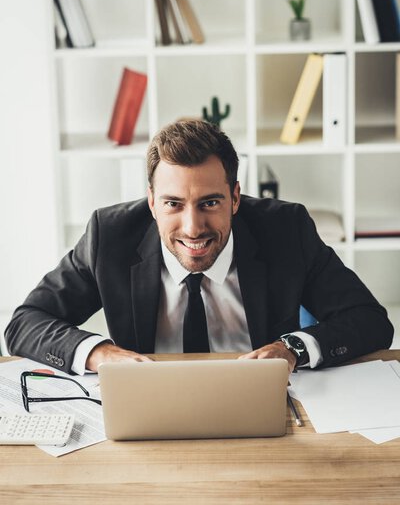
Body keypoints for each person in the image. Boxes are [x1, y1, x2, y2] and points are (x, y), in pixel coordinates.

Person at [5, 120, 393, 374]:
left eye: (210, 202)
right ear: (152, 201)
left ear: (235, 198)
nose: (193, 228)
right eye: (174, 204)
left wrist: (293, 348)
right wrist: (98, 353)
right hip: (150, 413)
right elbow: (25, 323)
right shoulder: (110, 235)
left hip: (264, 410)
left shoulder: (285, 229)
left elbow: (371, 321)